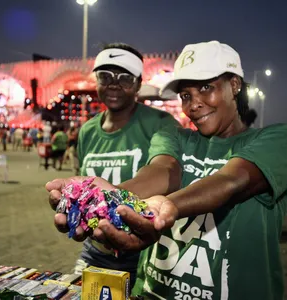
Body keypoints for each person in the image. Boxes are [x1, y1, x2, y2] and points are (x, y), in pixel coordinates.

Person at [47, 41, 287, 299]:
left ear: (235, 84)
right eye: (186, 95)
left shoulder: (281, 139)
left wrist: (168, 206)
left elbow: (233, 180)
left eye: (206, 87)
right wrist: (109, 198)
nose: (194, 104)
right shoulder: (174, 135)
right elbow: (164, 170)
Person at [49, 42, 179, 285]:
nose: (114, 85)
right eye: (106, 76)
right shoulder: (87, 131)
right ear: (96, 80)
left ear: (139, 83)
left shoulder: (160, 123)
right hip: (95, 250)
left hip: (147, 254)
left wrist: (110, 198)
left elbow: (168, 170)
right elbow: (81, 182)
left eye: (124, 78)